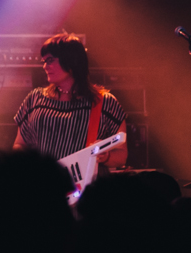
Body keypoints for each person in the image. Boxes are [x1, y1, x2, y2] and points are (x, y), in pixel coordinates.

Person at [13, 33, 127, 167]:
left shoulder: (103, 102)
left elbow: (122, 155)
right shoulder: (35, 98)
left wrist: (105, 156)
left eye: (50, 60)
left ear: (71, 61)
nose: (45, 66)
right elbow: (19, 144)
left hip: (85, 186)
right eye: (43, 62)